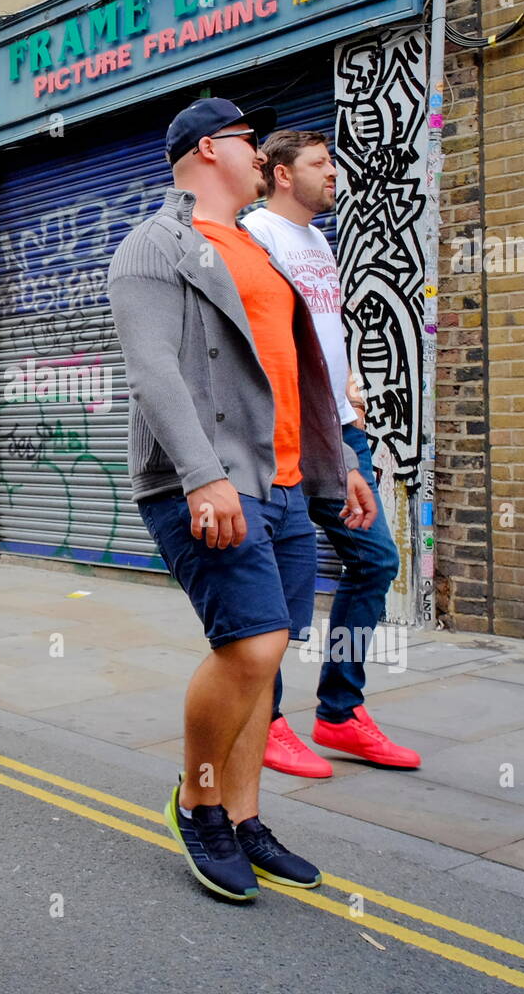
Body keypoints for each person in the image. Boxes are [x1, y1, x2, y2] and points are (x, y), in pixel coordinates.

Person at [108, 98, 377, 902]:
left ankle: (246, 818)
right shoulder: (155, 247)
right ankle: (197, 801)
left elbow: (301, 371)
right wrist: (202, 475)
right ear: (205, 150)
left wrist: (340, 468)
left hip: (286, 483)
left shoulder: (259, 249)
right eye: (248, 140)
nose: (262, 153)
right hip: (210, 482)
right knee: (250, 646)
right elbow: (152, 369)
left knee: (266, 665)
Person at [242, 130, 420, 775]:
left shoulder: (318, 241)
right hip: (282, 435)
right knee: (272, 586)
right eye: (321, 164)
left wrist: (347, 393)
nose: (334, 174)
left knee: (375, 562)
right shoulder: (255, 236)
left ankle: (340, 713)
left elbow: (319, 335)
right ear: (283, 174)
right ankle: (265, 720)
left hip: (340, 430)